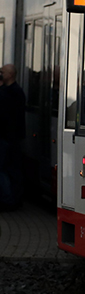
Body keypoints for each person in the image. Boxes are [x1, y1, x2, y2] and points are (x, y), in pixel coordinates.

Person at [0, 64, 26, 210]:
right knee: (12, 169)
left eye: (2, 72)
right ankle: (14, 198)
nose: (0, 74)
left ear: (10, 74)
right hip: (12, 137)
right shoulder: (16, 92)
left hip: (7, 137)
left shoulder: (10, 93)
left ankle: (8, 199)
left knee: (4, 169)